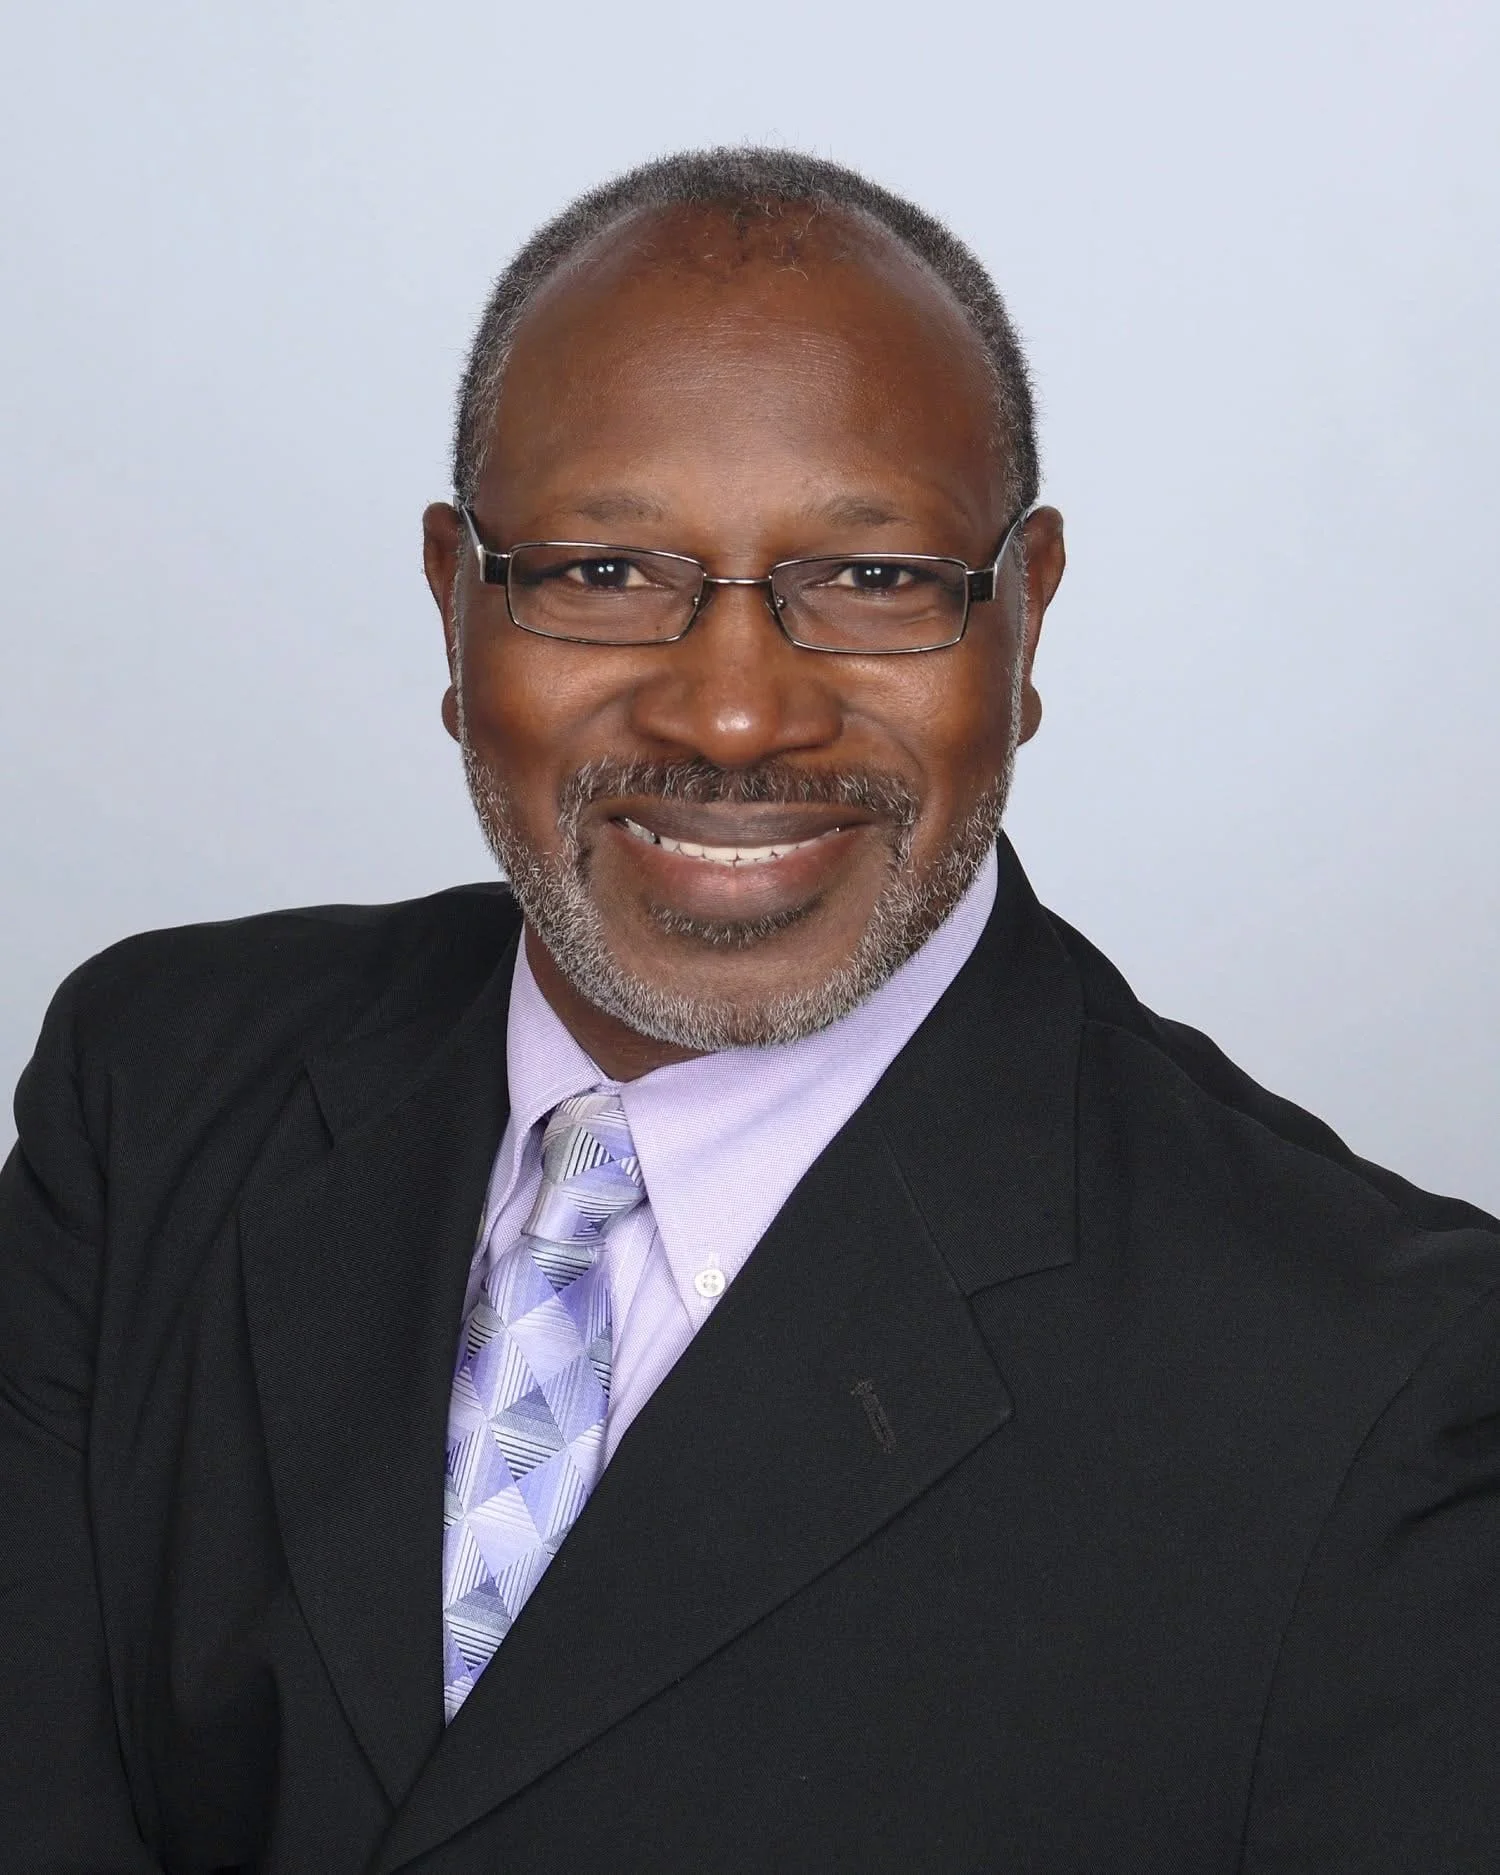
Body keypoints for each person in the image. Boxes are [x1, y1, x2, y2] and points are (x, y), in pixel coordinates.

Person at [2, 146, 1497, 1875]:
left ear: (1025, 617)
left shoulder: (1367, 1384)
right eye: (603, 570)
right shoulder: (158, 1089)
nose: (731, 714)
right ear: (452, 600)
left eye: (870, 583)